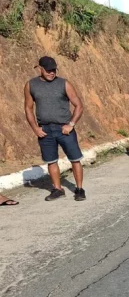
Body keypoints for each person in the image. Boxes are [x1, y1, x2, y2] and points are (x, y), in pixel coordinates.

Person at [24, 56, 86, 201]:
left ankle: (79, 189)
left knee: (75, 159)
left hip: (64, 129)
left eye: (54, 70)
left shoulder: (64, 84)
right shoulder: (31, 85)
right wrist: (35, 129)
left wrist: (71, 125)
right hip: (45, 130)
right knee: (51, 161)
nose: (52, 73)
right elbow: (28, 108)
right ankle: (58, 189)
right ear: (40, 69)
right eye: (48, 70)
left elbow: (79, 105)